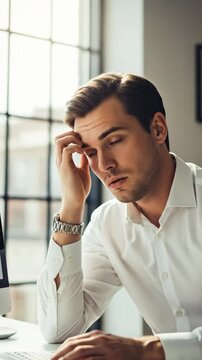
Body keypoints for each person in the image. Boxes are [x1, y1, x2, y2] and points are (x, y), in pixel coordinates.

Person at [37, 73, 202, 360]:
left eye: (114, 141)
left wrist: (144, 348)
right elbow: (59, 330)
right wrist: (72, 207)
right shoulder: (107, 225)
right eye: (89, 152)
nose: (104, 165)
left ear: (158, 129)